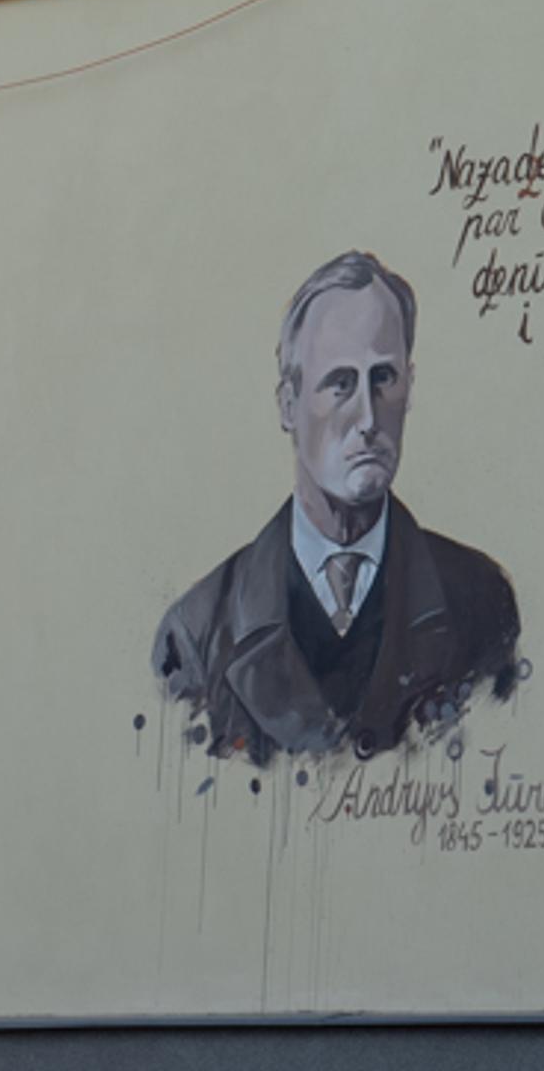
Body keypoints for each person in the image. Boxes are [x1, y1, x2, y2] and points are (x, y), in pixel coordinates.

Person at [154, 250, 522, 761]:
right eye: (340, 384)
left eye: (384, 379)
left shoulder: (481, 603)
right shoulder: (195, 634)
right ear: (288, 404)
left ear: (410, 388)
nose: (368, 417)